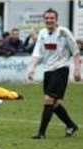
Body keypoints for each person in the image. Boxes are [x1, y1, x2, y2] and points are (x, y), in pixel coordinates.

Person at [28, 8, 81, 139]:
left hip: (61, 69)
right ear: (44, 20)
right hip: (48, 71)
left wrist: (77, 69)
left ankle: (41, 133)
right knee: (53, 103)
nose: (49, 20)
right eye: (47, 18)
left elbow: (75, 50)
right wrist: (32, 67)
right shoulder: (42, 33)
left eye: (52, 18)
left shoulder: (63, 32)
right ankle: (71, 125)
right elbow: (37, 52)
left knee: (48, 100)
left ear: (56, 20)